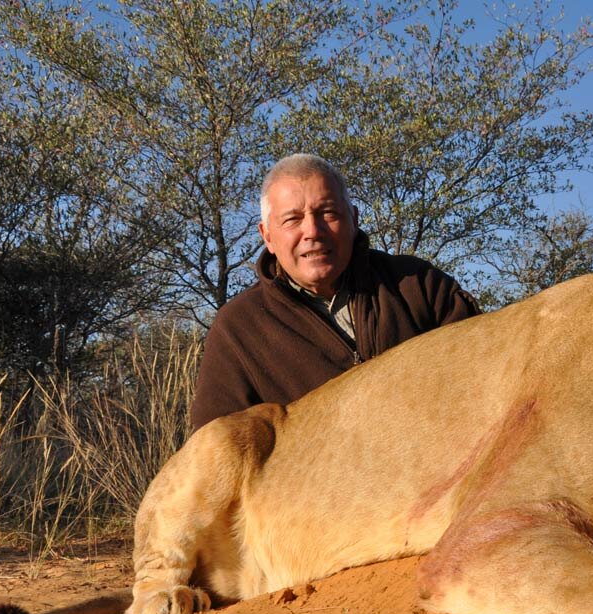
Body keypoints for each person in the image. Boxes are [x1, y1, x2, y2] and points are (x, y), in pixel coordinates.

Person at [189, 154, 480, 430]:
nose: (313, 231)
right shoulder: (238, 328)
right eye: (292, 219)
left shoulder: (418, 284)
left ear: (353, 219)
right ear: (267, 236)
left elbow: (486, 377)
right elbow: (217, 448)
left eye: (328, 213)